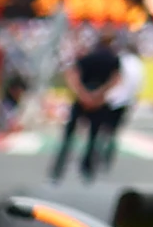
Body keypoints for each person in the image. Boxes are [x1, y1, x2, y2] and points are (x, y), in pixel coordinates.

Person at [49, 33, 129, 183]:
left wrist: (82, 94)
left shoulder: (86, 56)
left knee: (68, 137)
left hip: (82, 100)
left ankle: (58, 169)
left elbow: (72, 75)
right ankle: (87, 170)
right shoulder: (113, 59)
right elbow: (116, 79)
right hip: (99, 101)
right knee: (93, 138)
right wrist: (99, 95)